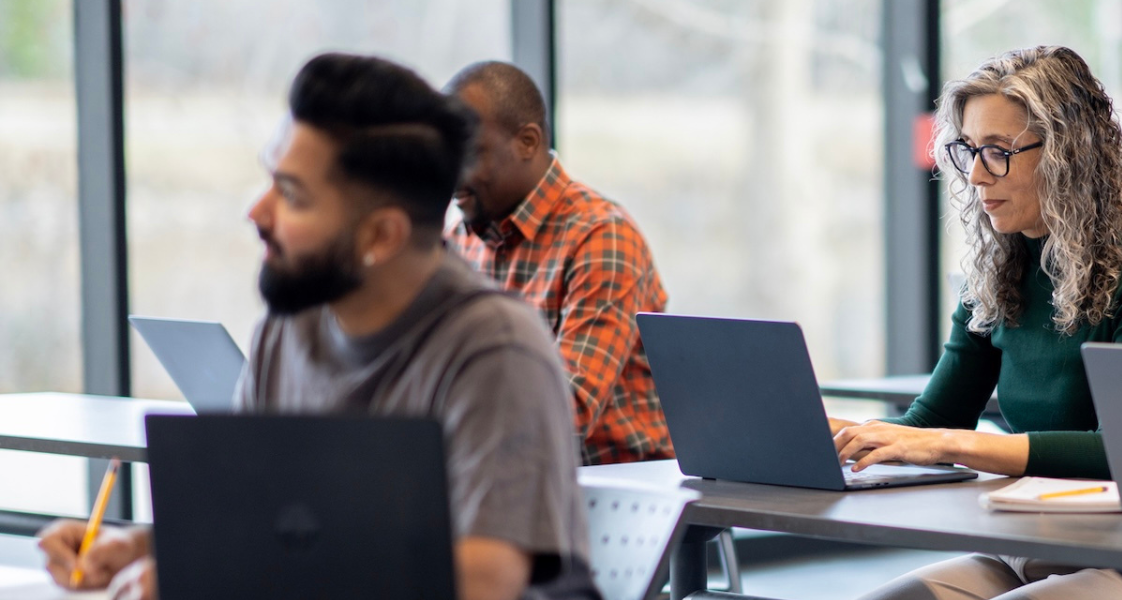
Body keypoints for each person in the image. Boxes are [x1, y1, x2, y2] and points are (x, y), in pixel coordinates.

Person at [38, 54, 600, 600]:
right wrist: (140, 547)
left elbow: (483, 582)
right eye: (270, 181)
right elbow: (260, 516)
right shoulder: (291, 325)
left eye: (292, 196)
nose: (257, 214)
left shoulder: (496, 350)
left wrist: (222, 573)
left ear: (381, 237)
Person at [835, 45, 1122, 600]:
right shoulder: (999, 266)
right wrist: (834, 433)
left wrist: (952, 444)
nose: (978, 174)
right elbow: (934, 418)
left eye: (1000, 151)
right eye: (970, 150)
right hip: (1026, 547)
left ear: (1068, 156)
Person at [444, 61, 673, 466]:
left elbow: (566, 409)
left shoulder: (602, 237)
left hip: (626, 505)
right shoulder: (459, 241)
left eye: (467, 154)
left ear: (527, 142)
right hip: (516, 487)